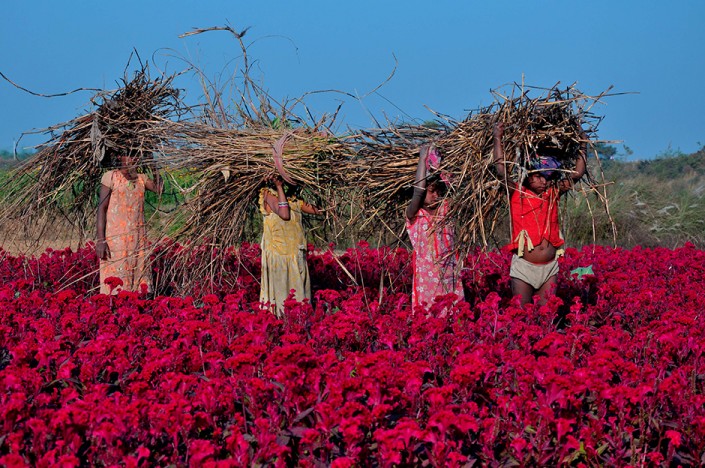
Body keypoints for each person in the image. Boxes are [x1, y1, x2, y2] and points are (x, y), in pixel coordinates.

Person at [493, 122, 587, 305]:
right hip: (524, 268)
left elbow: (577, 174)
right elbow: (501, 171)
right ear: (527, 175)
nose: (543, 181)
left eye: (547, 177)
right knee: (522, 313)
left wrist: (583, 143)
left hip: (550, 268)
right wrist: (498, 138)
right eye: (538, 176)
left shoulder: (552, 194)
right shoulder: (517, 193)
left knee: (547, 315)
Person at [96, 148, 162, 294]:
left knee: (138, 282)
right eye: (130, 155)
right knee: (116, 285)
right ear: (120, 156)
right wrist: (100, 240)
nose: (134, 159)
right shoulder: (111, 177)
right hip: (116, 242)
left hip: (138, 240)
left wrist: (153, 164)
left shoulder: (142, 179)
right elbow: (102, 208)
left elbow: (159, 189)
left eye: (136, 155)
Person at [405, 145, 464, 313]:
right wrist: (422, 159)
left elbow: (458, 190)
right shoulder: (414, 215)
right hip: (426, 280)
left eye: (438, 191)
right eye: (431, 191)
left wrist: (444, 170)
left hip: (450, 273)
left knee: (453, 316)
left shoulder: (446, 209)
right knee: (428, 317)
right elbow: (418, 192)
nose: (436, 196)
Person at [259, 174, 321, 317]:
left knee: (298, 293)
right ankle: (282, 321)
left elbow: (318, 210)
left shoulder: (294, 199)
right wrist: (279, 187)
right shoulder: (267, 195)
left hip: (295, 255)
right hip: (279, 257)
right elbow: (284, 214)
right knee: (282, 294)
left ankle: (299, 321)